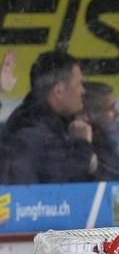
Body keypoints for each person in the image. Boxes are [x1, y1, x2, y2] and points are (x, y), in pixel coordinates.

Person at [1, 51, 96, 184]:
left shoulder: (59, 125)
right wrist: (83, 153)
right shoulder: (33, 131)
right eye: (79, 84)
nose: (83, 91)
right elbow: (58, 186)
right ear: (58, 91)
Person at [83, 81, 119, 181]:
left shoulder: (106, 146)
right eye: (111, 108)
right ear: (90, 114)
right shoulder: (81, 150)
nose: (117, 114)